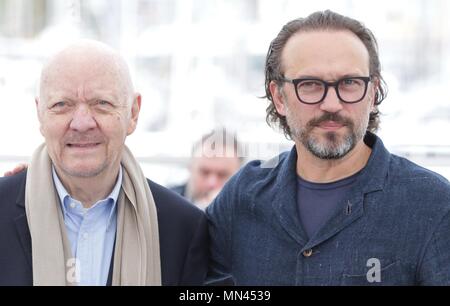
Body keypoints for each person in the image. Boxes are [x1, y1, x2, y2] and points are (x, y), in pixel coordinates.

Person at [206, 10, 450, 285]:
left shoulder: (433, 205)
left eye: (349, 83)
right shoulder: (241, 198)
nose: (331, 104)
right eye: (309, 85)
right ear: (279, 97)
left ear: (372, 93)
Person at [0, 40, 208, 286]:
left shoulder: (183, 228)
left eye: (102, 103)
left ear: (133, 113)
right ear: (40, 114)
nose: (82, 122)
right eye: (61, 105)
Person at [171, 129, 243, 210]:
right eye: (204, 172)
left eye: (222, 175)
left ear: (239, 177)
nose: (211, 183)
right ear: (190, 168)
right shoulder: (166, 203)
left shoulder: (249, 212)